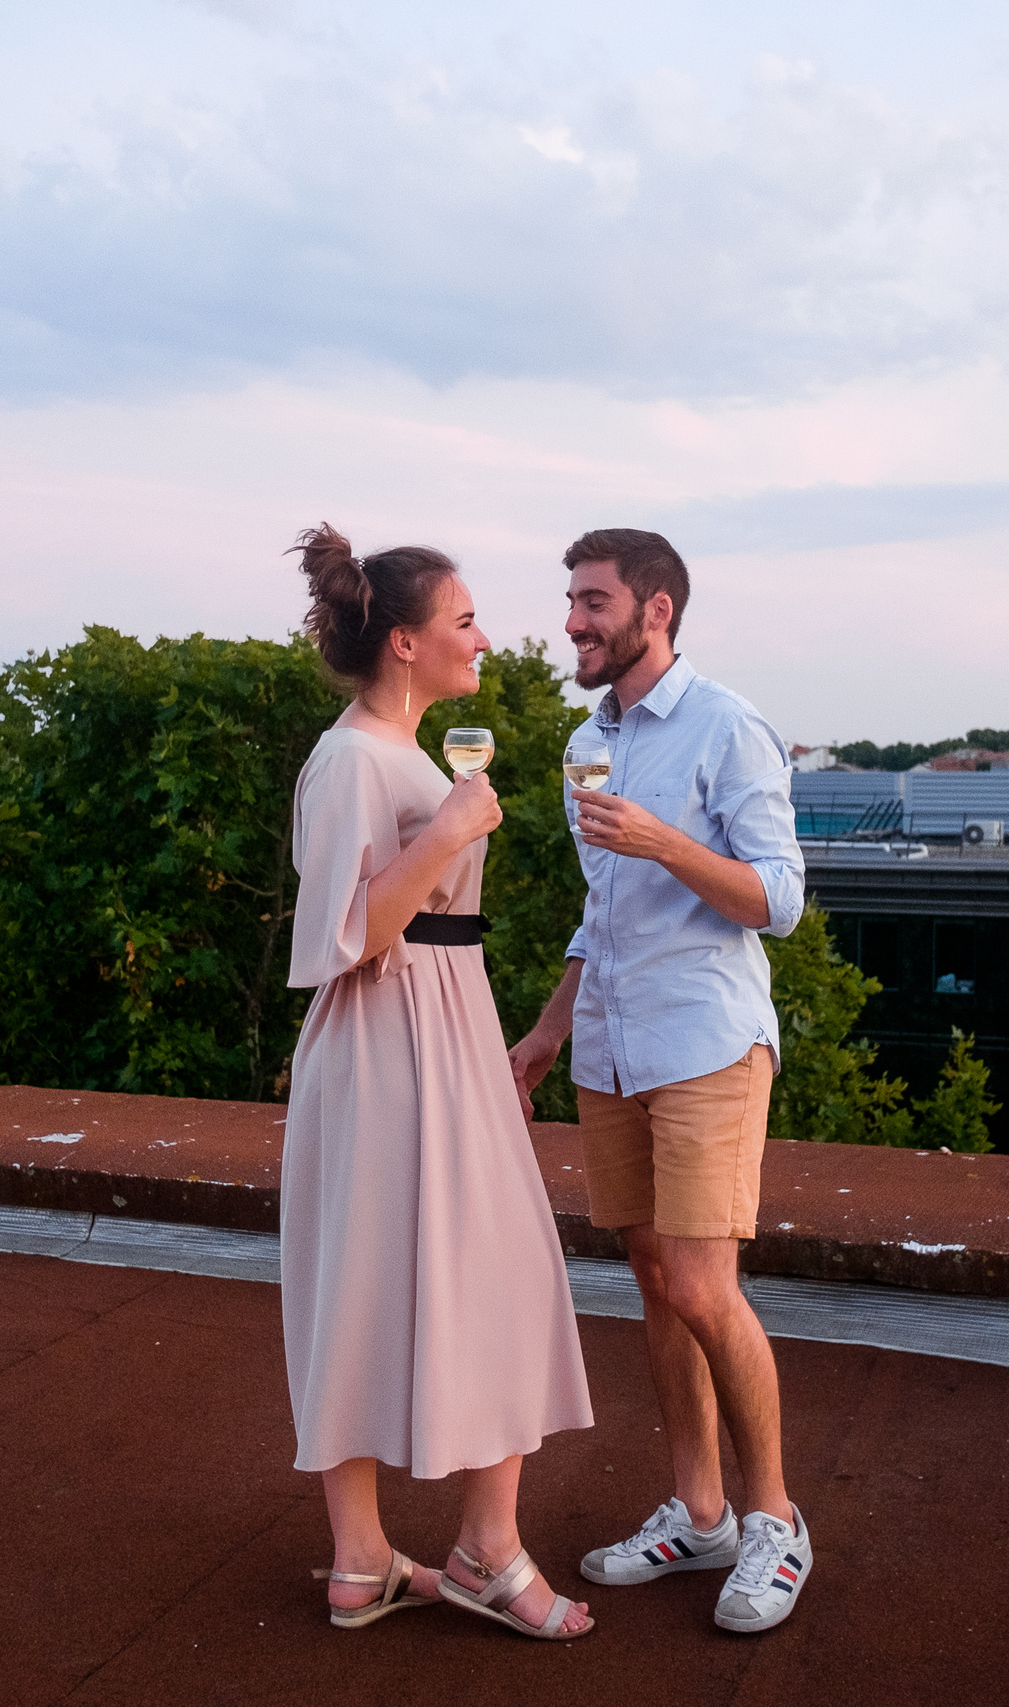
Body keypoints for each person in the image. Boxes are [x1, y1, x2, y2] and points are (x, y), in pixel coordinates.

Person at [280, 523, 596, 1641]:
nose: (485, 638)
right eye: (465, 621)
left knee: (440, 1274)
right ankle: (475, 1555)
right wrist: (454, 828)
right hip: (385, 1039)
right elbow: (347, 938)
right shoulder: (353, 759)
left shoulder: (398, 752)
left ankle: (374, 1563)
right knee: (398, 1281)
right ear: (405, 642)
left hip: (440, 1029)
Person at [507, 527, 814, 1634]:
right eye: (572, 601)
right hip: (611, 1044)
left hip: (704, 1045)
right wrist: (546, 1032)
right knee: (650, 1280)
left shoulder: (727, 727)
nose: (574, 622)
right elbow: (603, 911)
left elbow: (778, 899)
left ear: (657, 610)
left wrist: (665, 841)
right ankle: (700, 1513)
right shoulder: (584, 738)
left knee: (699, 1285)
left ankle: (775, 1521)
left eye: (592, 602)